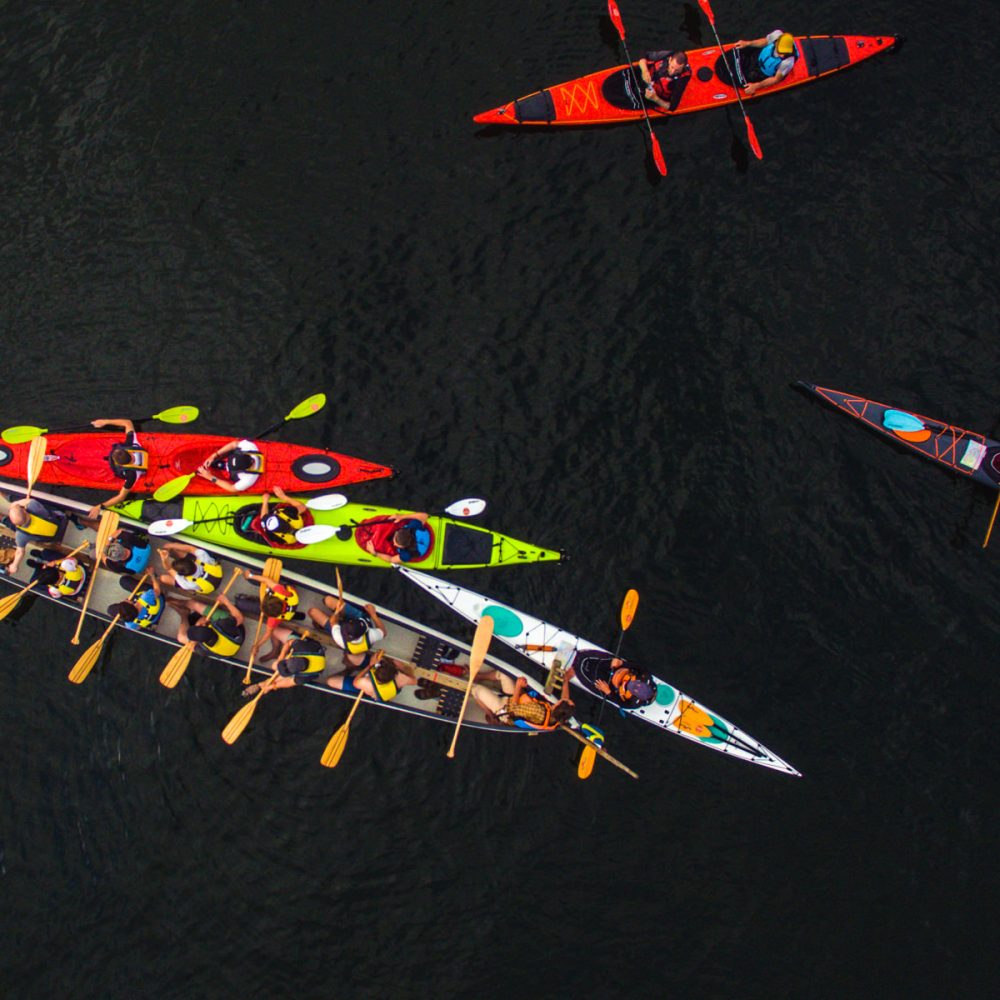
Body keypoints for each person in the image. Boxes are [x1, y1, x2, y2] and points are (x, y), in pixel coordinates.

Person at [471, 666, 575, 731]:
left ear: (557, 706)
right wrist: (566, 680)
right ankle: (479, 677)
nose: (564, 698)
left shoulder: (538, 711)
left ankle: (491, 715)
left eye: (562, 701)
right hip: (516, 699)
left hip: (506, 710)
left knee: (476, 690)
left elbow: (512, 710)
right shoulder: (558, 718)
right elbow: (565, 698)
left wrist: (518, 686)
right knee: (502, 674)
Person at [87, 418, 149, 517]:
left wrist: (100, 506)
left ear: (122, 465)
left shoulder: (131, 475)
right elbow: (128, 422)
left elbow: (121, 497)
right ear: (128, 451)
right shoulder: (132, 443)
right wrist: (104, 422)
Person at [240, 568, 303, 662]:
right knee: (264, 581)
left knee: (242, 601)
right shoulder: (281, 591)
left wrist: (250, 576)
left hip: (288, 612)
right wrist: (250, 575)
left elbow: (268, 633)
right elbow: (267, 580)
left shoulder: (273, 620)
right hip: (290, 604)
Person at [307, 596, 386, 670]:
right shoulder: (372, 634)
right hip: (358, 618)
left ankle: (339, 614)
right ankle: (343, 612)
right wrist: (373, 614)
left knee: (312, 612)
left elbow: (333, 622)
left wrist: (337, 612)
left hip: (345, 624)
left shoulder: (339, 638)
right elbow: (384, 632)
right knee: (328, 600)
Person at [1, 496, 72, 575]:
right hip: (61, 522)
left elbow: (20, 552)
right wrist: (15, 504)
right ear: (24, 511)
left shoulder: (20, 535)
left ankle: (3, 519)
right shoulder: (33, 506)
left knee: (9, 524)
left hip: (55, 538)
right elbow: (28, 501)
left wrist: (15, 564)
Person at [243, 635, 332, 694]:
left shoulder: (302, 678)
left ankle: (260, 685)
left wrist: (271, 686)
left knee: (274, 666)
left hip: (314, 652)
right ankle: (260, 685)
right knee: (275, 666)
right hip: (314, 652)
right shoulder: (300, 647)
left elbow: (289, 682)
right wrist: (280, 658)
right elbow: (289, 642)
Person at [169, 593, 246, 657]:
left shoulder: (202, 650)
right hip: (233, 636)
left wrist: (227, 603)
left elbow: (240, 618)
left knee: (181, 638)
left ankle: (183, 613)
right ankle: (183, 609)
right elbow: (239, 618)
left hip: (224, 629)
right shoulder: (223, 625)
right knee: (194, 605)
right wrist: (225, 601)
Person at [326, 651, 417, 702]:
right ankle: (355, 666)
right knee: (351, 656)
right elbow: (414, 681)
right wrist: (403, 668)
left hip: (366, 685)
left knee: (330, 681)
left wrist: (370, 666)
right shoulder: (402, 677)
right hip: (375, 675)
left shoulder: (365, 683)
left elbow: (356, 682)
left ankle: (350, 670)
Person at [575, 653, 656, 709]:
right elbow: (636, 665)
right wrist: (622, 663)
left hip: (610, 684)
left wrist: (608, 692)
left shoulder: (632, 703)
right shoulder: (646, 675)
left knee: (592, 677)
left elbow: (618, 701)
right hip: (617, 667)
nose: (636, 686)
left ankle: (576, 668)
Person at [733, 31, 797, 96]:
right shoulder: (777, 35)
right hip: (758, 57)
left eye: (785, 52)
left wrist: (756, 86)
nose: (782, 56)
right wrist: (747, 43)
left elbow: (776, 79)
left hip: (763, 73)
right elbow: (765, 41)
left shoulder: (787, 62)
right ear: (776, 43)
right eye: (781, 51)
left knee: (747, 78)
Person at [247, 487, 314, 548]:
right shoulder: (288, 514)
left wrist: (265, 501)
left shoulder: (272, 535)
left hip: (292, 537)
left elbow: (263, 517)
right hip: (297, 525)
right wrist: (283, 497)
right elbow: (302, 507)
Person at [358, 512, 431, 565]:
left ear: (403, 547)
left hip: (418, 549)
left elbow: (391, 559)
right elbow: (425, 516)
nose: (393, 543)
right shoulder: (414, 526)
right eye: (394, 541)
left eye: (396, 544)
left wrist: (375, 553)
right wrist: (401, 517)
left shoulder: (406, 554)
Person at [195, 438, 264, 493]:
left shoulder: (249, 479)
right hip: (225, 458)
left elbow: (232, 488)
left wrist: (211, 478)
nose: (228, 463)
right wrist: (214, 455)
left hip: (227, 475)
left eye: (230, 465)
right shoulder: (250, 447)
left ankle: (225, 467)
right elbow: (234, 444)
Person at [157, 541, 223, 594]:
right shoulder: (204, 559)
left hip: (208, 589)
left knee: (163, 578)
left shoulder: (187, 583)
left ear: (182, 575)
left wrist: (164, 559)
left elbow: (169, 569)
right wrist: (171, 545)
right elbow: (190, 548)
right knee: (176, 549)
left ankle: (190, 591)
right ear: (192, 561)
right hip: (218, 574)